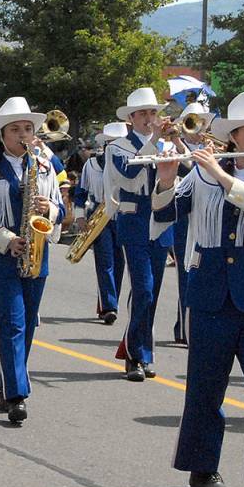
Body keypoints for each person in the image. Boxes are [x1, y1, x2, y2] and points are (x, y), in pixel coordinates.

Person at [152, 90, 244, 487]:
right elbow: (166, 214)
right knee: (206, 389)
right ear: (235, 137)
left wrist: (221, 175)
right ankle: (201, 467)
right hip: (209, 292)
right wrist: (168, 177)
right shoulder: (201, 173)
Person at [0, 97, 65, 424]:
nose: (23, 134)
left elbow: (61, 210)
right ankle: (17, 395)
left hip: (37, 252)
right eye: (15, 129)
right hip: (0, 257)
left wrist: (50, 209)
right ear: (2, 135)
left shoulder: (45, 166)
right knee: (12, 323)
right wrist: (6, 240)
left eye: (28, 128)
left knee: (28, 323)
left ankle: (7, 383)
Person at [106, 87, 183, 381]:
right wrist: (154, 140)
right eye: (143, 114)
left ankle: (142, 351)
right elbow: (128, 174)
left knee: (154, 292)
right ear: (131, 118)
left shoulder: (164, 145)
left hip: (161, 219)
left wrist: (176, 139)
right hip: (134, 220)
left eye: (153, 113)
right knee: (144, 289)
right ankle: (135, 355)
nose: (150, 118)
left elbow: (188, 168)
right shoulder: (118, 147)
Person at [169, 102, 215, 345]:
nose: (199, 128)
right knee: (185, 273)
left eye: (202, 123)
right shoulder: (173, 146)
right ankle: (186, 328)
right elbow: (191, 171)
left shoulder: (216, 146)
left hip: (208, 218)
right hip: (185, 217)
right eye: (193, 122)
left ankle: (185, 325)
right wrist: (178, 143)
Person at [72, 122, 128, 324]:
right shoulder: (92, 164)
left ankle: (107, 303)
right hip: (100, 214)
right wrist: (79, 215)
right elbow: (81, 192)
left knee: (119, 263)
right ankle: (109, 306)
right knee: (105, 261)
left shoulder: (130, 162)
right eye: (111, 143)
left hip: (123, 215)